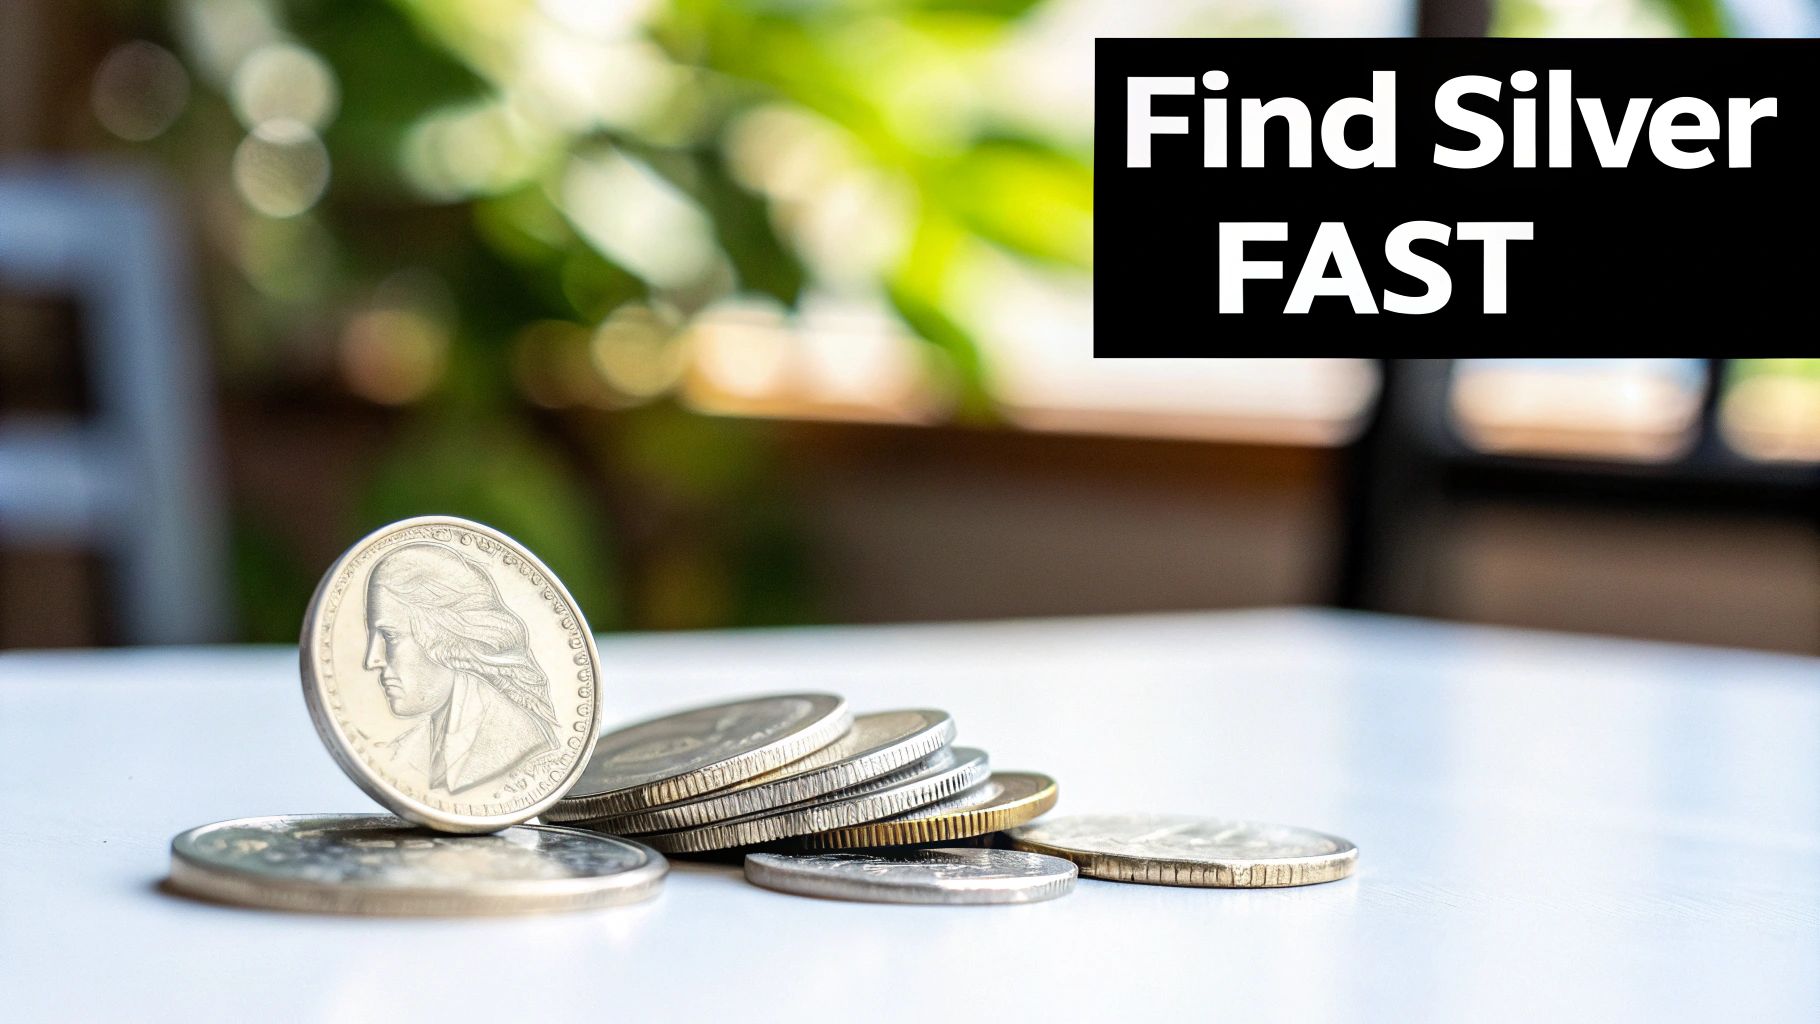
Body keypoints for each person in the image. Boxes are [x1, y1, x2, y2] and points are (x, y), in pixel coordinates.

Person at [361, 542, 563, 797]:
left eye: (389, 636)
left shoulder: (521, 745)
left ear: (444, 636)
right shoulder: (406, 750)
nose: (371, 660)